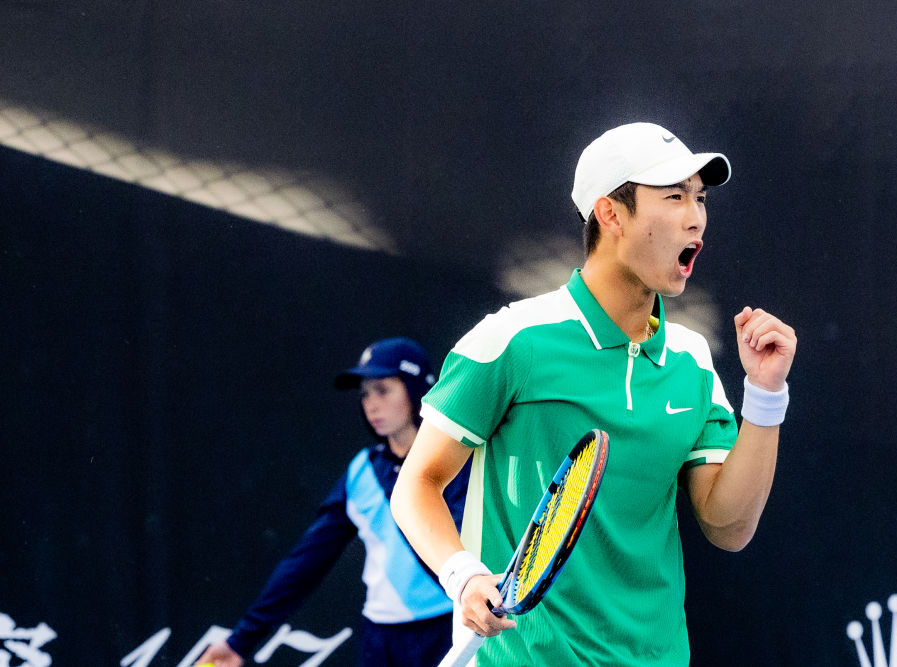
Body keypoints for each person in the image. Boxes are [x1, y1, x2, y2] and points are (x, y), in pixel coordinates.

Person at [390, 122, 797, 666]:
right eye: (674, 197)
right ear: (610, 214)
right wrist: (463, 576)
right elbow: (417, 483)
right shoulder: (514, 340)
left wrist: (766, 395)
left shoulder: (693, 360)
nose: (696, 217)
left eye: (699, 198)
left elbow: (729, 527)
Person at [196, 337, 471, 667]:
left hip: (448, 629)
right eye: (365, 394)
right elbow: (306, 562)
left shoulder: (459, 462)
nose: (371, 404)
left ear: (416, 390)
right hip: (378, 642)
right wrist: (240, 642)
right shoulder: (362, 471)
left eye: (382, 390)